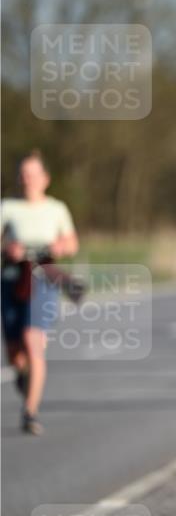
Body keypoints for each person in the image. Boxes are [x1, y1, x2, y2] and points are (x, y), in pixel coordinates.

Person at [1, 150, 79, 435]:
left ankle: (30, 412)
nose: (27, 179)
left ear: (44, 179)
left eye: (33, 174)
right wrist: (7, 249)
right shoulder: (7, 207)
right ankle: (22, 374)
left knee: (33, 341)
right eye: (23, 174)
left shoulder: (56, 209)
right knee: (14, 351)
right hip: (12, 278)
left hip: (43, 278)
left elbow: (72, 243)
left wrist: (61, 247)